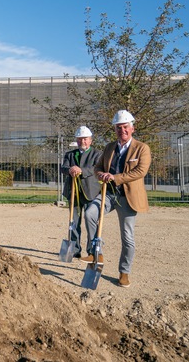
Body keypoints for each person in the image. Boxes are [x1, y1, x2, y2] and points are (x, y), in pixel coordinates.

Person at [84, 110, 151, 288]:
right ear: (115, 129)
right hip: (109, 194)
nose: (122, 130)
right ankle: (96, 253)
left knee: (127, 237)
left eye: (125, 127)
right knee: (90, 213)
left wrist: (116, 177)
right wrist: (102, 175)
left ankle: (124, 272)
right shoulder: (109, 147)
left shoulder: (142, 148)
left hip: (128, 197)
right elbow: (97, 167)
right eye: (118, 128)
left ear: (132, 128)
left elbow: (140, 171)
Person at [60, 126, 102, 258]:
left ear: (90, 140)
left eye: (85, 139)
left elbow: (96, 169)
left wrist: (81, 170)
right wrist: (70, 169)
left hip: (90, 192)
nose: (82, 142)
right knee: (73, 222)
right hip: (73, 192)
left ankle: (92, 250)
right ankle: (74, 250)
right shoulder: (70, 154)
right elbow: (63, 168)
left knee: (90, 221)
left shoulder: (97, 154)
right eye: (79, 139)